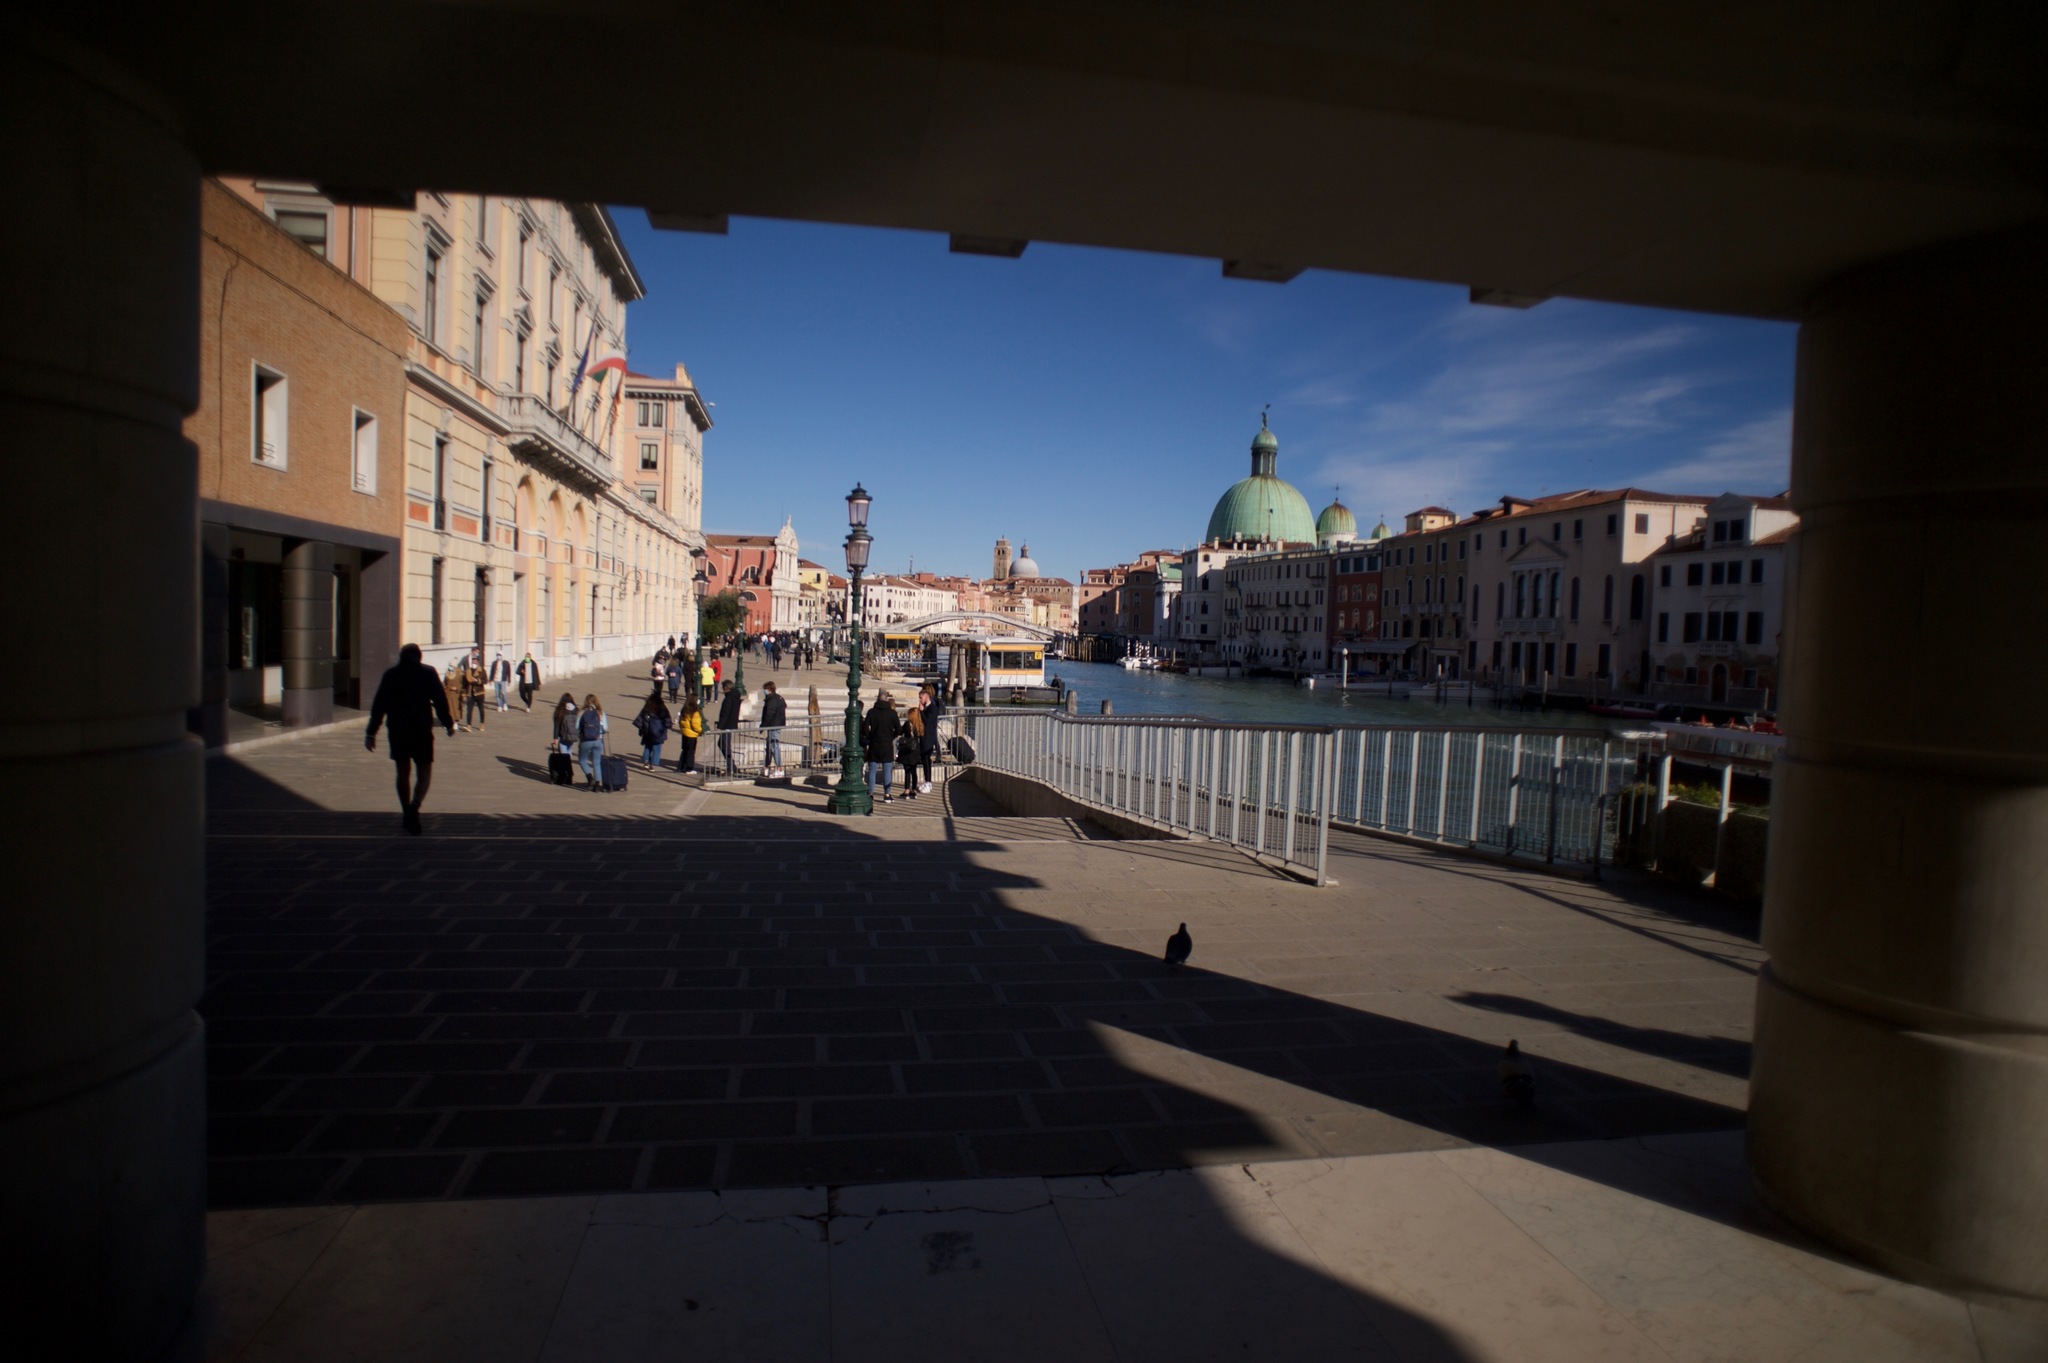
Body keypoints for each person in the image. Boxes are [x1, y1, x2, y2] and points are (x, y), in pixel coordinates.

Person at [364, 643, 455, 835]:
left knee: (402, 771)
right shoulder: (428, 673)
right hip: (421, 730)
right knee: (424, 772)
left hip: (398, 730)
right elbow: (440, 701)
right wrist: (448, 723)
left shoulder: (391, 675)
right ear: (419, 657)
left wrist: (371, 733)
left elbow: (379, 705)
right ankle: (414, 806)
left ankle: (406, 809)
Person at [862, 691, 902, 806]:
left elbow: (865, 726)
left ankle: (870, 792)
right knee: (887, 769)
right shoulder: (892, 713)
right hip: (887, 744)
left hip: (874, 743)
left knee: (872, 769)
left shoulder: (872, 712)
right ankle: (887, 794)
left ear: (877, 700)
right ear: (887, 700)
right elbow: (898, 729)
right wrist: (892, 736)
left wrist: (870, 736)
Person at [908, 683, 941, 795]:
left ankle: (928, 782)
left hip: (929, 738)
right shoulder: (927, 708)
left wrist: (921, 711)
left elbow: (927, 722)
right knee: (924, 760)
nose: (919, 700)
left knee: (927, 760)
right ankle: (926, 781)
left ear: (926, 697)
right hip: (923, 737)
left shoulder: (933, 708)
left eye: (921, 698)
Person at [634, 689, 671, 769]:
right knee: (656, 748)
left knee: (647, 747)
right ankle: (653, 765)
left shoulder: (647, 707)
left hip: (647, 732)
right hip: (658, 733)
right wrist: (668, 725)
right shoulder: (662, 708)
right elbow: (667, 719)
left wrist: (641, 729)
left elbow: (640, 719)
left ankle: (646, 762)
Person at [576, 693, 607, 790]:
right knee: (596, 762)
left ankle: (590, 778)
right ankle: (597, 785)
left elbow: (576, 727)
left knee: (582, 760)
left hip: (585, 740)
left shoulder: (582, 712)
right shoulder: (601, 712)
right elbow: (605, 728)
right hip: (598, 740)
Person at [715, 679, 743, 775]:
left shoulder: (728, 698)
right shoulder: (735, 697)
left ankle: (730, 768)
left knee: (725, 746)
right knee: (722, 744)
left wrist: (720, 726)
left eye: (723, 688)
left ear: (726, 688)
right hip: (731, 724)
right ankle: (732, 766)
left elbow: (725, 714)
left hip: (726, 725)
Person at [759, 681, 787, 774]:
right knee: (770, 746)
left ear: (769, 689)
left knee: (774, 745)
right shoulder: (778, 698)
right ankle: (767, 766)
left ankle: (779, 767)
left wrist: (763, 726)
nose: (764, 691)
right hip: (777, 724)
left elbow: (769, 714)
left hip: (773, 725)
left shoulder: (772, 700)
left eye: (765, 689)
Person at [675, 693, 704, 773]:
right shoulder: (695, 711)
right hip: (692, 734)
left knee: (684, 750)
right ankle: (689, 768)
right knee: (691, 752)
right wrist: (700, 730)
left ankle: (681, 767)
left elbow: (681, 722)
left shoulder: (684, 709)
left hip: (685, 732)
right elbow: (695, 724)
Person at [460, 652, 488, 730]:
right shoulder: (468, 671)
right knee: (469, 710)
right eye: (473, 661)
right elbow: (465, 683)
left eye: (475, 661)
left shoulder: (482, 670)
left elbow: (485, 681)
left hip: (479, 693)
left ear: (478, 662)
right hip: (470, 693)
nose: (474, 662)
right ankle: (468, 725)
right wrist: (464, 692)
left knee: (481, 709)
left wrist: (477, 681)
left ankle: (482, 723)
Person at [552, 692, 579, 758]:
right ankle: (568, 765)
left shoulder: (560, 710)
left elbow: (557, 725)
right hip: (573, 735)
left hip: (563, 736)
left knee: (563, 754)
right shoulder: (576, 709)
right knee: (569, 749)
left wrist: (555, 737)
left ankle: (566, 766)